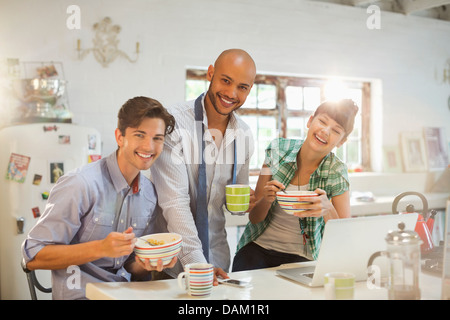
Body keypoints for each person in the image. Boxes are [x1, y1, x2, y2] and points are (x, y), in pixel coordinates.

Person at [22, 96, 176, 299]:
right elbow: (33, 255)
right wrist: (101, 248)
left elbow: (129, 265)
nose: (149, 146)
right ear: (119, 137)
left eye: (158, 138)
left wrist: (147, 263)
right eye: (140, 135)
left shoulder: (149, 194)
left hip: (124, 294)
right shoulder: (80, 184)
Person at [150, 49, 257, 283]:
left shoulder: (244, 135)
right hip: (169, 263)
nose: (231, 93)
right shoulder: (174, 124)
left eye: (242, 87)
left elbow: (232, 205)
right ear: (211, 73)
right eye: (225, 81)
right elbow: (174, 202)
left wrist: (249, 202)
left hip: (217, 260)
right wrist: (198, 265)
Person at [232, 99, 359, 272]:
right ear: (310, 121)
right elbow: (254, 218)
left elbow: (343, 235)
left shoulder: (337, 171)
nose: (325, 131)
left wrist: (327, 208)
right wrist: (266, 200)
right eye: (322, 121)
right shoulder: (277, 150)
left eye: (336, 130)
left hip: (302, 256)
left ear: (342, 141)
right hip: (257, 248)